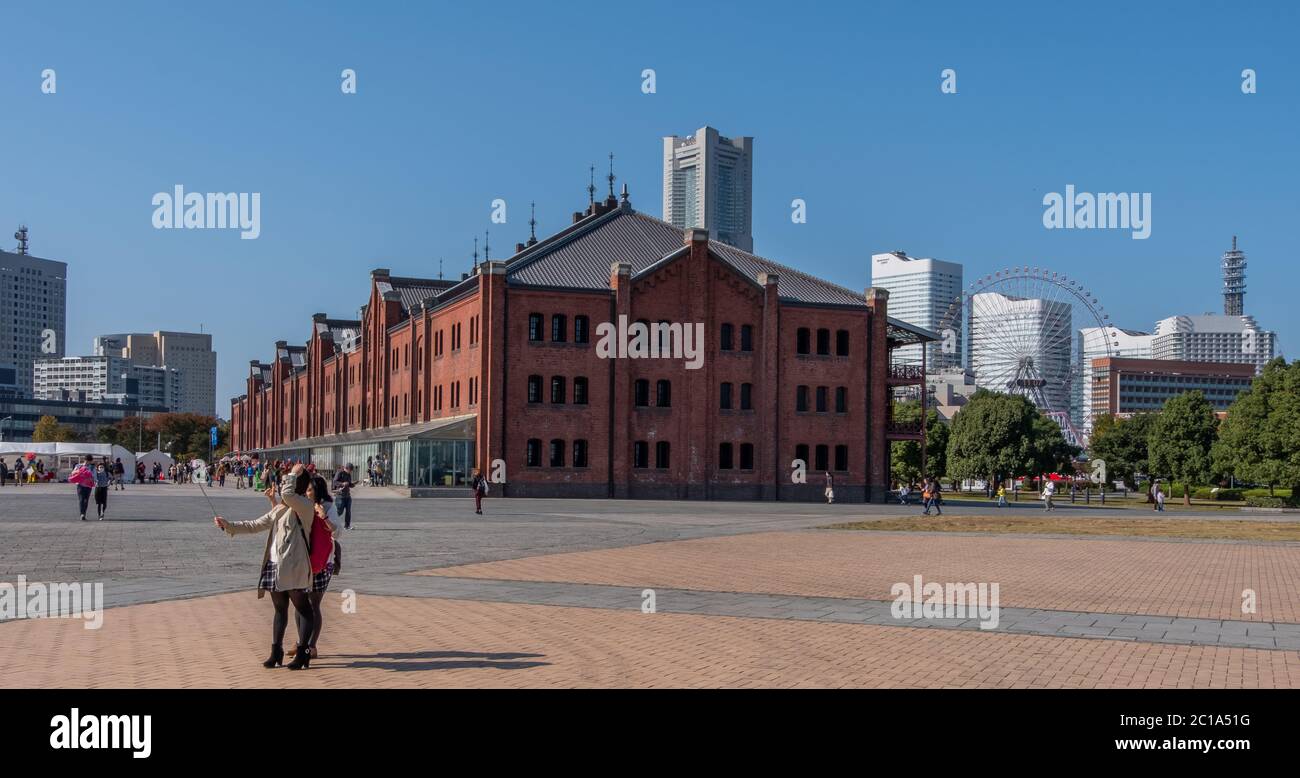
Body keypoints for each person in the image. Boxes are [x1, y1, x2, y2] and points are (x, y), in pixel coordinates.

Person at [213, 463, 318, 670]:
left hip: (294, 566)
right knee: (280, 610)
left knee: (304, 608)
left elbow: (287, 494)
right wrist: (229, 525)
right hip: (275, 565)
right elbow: (256, 525)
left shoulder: (305, 506)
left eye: (285, 481)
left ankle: (304, 652)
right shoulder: (280, 508)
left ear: (296, 483)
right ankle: (275, 651)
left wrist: (294, 473)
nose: (280, 484)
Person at [287, 475, 341, 662]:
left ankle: (311, 646)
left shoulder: (327, 507)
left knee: (313, 604)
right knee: (300, 602)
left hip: (322, 563)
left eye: (310, 490)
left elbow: (337, 531)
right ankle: (301, 641)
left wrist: (323, 516)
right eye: (306, 490)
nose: (307, 493)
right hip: (303, 562)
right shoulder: (302, 506)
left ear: (317, 491)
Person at [69, 455, 96, 521]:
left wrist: (89, 475)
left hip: (88, 486)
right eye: (87, 461)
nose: (88, 463)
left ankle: (84, 513)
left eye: (89, 461)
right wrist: (80, 472)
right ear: (85, 460)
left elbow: (94, 476)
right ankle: (82, 514)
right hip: (80, 485)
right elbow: (72, 473)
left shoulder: (92, 467)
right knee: (81, 499)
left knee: (86, 500)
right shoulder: (78, 466)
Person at [332, 463, 355, 529]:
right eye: (350, 470)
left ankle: (347, 526)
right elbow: (334, 482)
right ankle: (331, 522)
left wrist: (352, 485)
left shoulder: (348, 474)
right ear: (347, 468)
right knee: (339, 511)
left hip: (347, 495)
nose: (350, 472)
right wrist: (342, 483)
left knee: (348, 511)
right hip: (340, 496)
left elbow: (349, 484)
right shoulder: (340, 472)